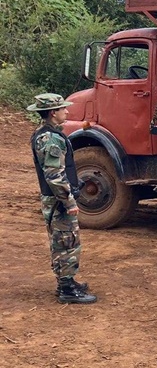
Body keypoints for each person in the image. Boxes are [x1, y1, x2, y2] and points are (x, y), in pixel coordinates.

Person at [28, 93, 98, 304]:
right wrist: (69, 201)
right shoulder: (51, 139)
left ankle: (68, 281)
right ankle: (66, 289)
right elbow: (54, 176)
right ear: (52, 113)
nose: (66, 111)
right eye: (62, 109)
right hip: (59, 201)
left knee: (64, 240)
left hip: (56, 199)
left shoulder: (46, 134)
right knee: (66, 242)